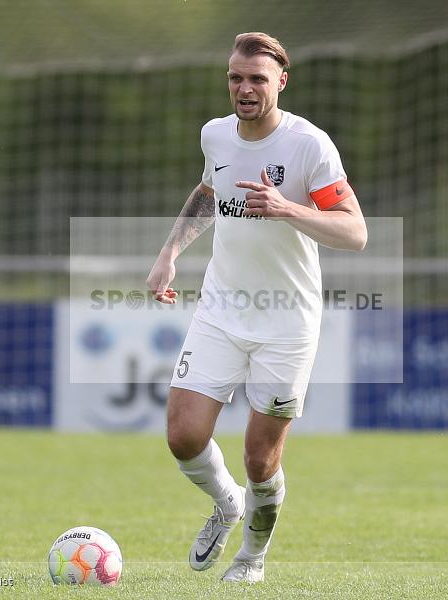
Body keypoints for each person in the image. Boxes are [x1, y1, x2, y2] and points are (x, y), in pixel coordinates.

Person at [146, 32, 367, 583]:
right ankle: (227, 505)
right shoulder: (215, 135)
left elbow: (355, 232)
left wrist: (287, 208)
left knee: (260, 460)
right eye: (236, 78)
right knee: (183, 435)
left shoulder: (308, 146)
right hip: (221, 307)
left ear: (281, 82)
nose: (244, 89)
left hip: (287, 320)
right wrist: (169, 253)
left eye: (257, 79)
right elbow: (206, 192)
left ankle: (251, 559)